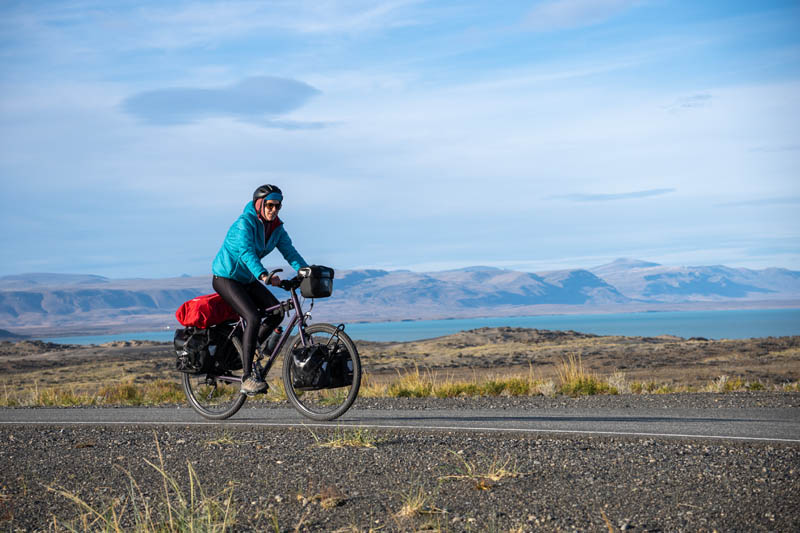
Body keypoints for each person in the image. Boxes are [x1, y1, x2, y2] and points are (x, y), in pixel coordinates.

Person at [212, 184, 308, 395]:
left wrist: (305, 270)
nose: (274, 210)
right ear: (259, 204)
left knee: (277, 313)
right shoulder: (244, 224)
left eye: (278, 206)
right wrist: (264, 275)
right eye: (270, 205)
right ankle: (247, 378)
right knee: (253, 317)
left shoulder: (276, 228)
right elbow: (246, 253)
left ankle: (250, 348)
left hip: (247, 279)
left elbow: (289, 252)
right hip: (226, 277)